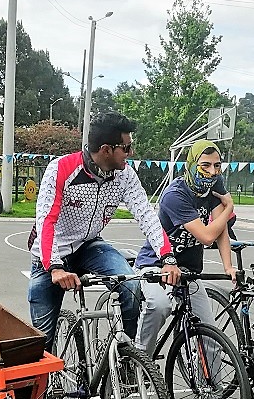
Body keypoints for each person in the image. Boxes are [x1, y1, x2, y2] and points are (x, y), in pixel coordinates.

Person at [27, 112, 181, 353]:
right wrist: (55, 268)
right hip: (51, 256)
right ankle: (41, 388)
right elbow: (46, 221)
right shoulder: (62, 169)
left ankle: (125, 358)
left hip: (89, 246)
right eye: (127, 147)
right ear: (107, 149)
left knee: (132, 287)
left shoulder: (125, 174)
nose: (131, 153)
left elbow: (147, 215)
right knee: (42, 343)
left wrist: (168, 258)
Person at [133, 140, 239, 399]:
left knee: (210, 335)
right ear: (192, 165)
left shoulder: (215, 191)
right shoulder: (175, 194)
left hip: (189, 272)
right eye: (205, 165)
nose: (212, 171)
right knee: (159, 306)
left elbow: (221, 234)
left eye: (217, 165)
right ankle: (139, 362)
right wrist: (228, 206)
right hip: (157, 266)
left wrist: (228, 267)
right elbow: (206, 235)